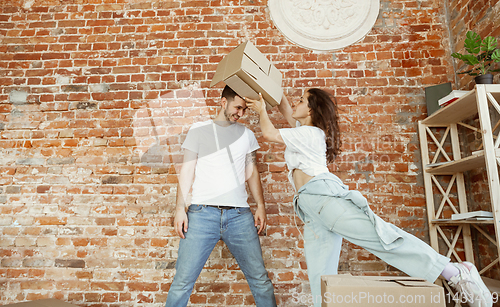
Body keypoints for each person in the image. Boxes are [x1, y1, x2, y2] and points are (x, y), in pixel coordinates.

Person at [245, 88, 492, 307]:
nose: (295, 103)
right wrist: (269, 86)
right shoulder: (303, 131)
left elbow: (269, 133)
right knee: (320, 273)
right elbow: (286, 108)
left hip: (325, 199)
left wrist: (260, 111)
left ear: (311, 110)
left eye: (301, 100)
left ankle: (456, 271)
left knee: (380, 237)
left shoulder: (311, 134)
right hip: (311, 208)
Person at [165, 86, 277, 307]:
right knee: (182, 282)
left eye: (244, 109)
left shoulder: (247, 135)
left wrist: (261, 206)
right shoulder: (198, 130)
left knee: (260, 281)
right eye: (238, 107)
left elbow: (252, 173)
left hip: (239, 216)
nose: (241, 113)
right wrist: (180, 208)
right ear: (223, 102)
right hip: (201, 215)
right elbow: (186, 171)